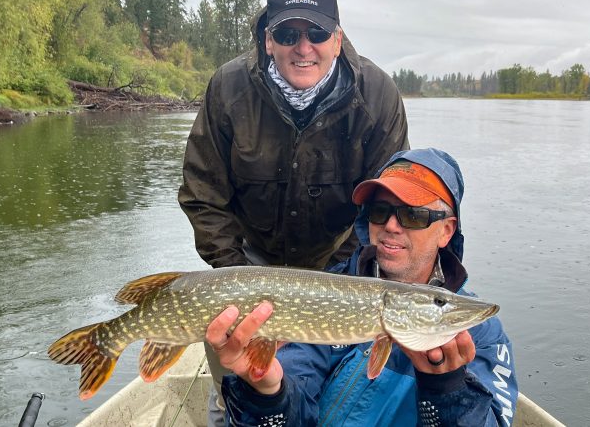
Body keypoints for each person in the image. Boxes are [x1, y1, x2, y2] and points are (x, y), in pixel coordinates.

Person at [178, 0, 409, 423]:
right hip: (245, 260)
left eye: (317, 33)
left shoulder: (378, 97)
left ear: (337, 38)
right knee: (237, 384)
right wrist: (239, 280)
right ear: (268, 41)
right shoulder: (228, 89)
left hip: (339, 265)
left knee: (324, 378)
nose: (303, 47)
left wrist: (346, 274)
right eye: (287, 34)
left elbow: (383, 207)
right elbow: (203, 194)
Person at [206, 148, 518, 426]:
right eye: (380, 212)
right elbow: (288, 417)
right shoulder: (324, 297)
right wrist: (268, 391)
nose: (391, 226)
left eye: (413, 214)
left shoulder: (483, 336)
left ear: (446, 231)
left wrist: (448, 391)